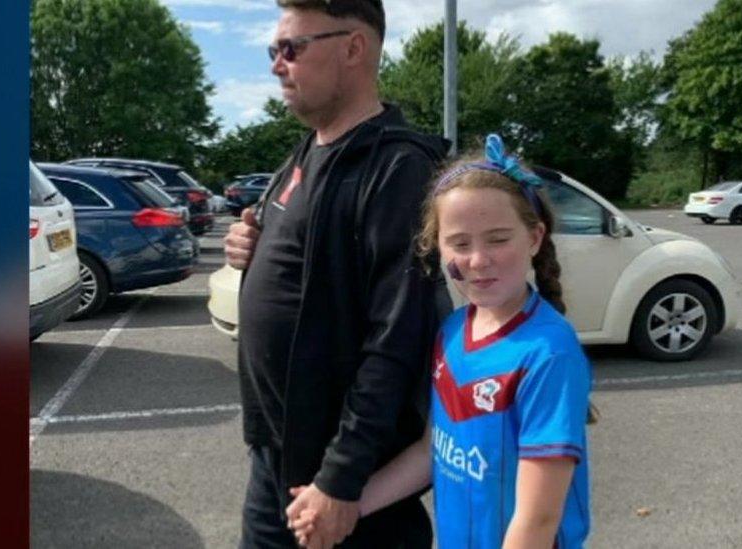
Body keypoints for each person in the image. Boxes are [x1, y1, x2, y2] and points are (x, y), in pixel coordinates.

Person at [289, 134, 594, 548]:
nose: (478, 259)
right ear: (437, 248)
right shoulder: (452, 331)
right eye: (459, 243)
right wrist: (344, 503)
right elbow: (433, 450)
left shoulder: (547, 353)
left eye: (499, 239)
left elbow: (537, 519)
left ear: (535, 237)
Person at [223, 1, 450, 547]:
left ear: (354, 48)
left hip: (344, 487)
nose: (277, 64)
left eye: (291, 48)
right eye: (272, 50)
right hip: (276, 465)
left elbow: (395, 340)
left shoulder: (397, 169)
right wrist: (247, 248)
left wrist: (342, 480)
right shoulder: (306, 151)